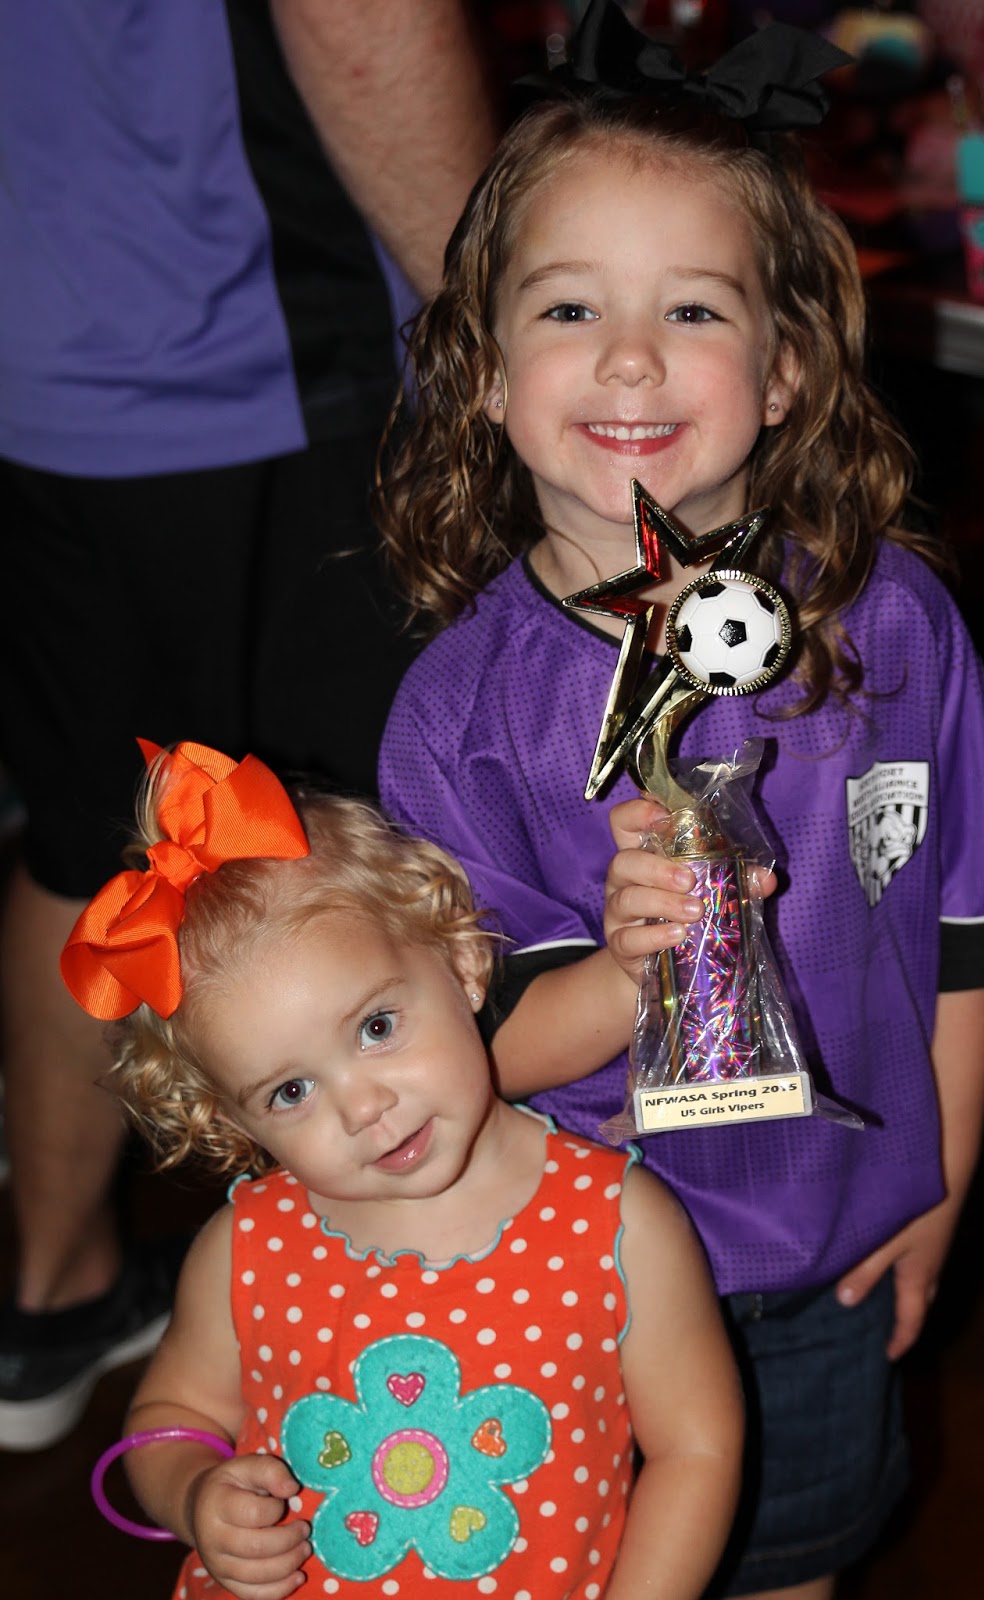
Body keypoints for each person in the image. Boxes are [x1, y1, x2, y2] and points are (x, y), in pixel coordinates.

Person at [374, 4, 984, 1597]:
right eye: (568, 308)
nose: (628, 357)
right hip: (575, 1273)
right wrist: (621, 974)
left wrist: (934, 1191)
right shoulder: (458, 714)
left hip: (819, 1263)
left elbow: (970, 933)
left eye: (690, 307)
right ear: (481, 371)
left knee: (783, 1564)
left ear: (783, 370)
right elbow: (460, 1053)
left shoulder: (892, 628)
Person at [0, 0, 496, 1452]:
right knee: (393, 851)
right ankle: (430, 1355)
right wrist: (504, 327)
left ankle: (50, 1290)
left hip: (35, 356)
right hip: (256, 343)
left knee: (97, 843)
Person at [61, 739, 743, 1600]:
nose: (362, 1108)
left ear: (461, 962)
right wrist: (195, 1496)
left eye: (376, 1028)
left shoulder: (617, 1225)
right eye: (291, 1091)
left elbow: (695, 1448)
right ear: (231, 1119)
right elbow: (171, 1419)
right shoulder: (245, 1249)